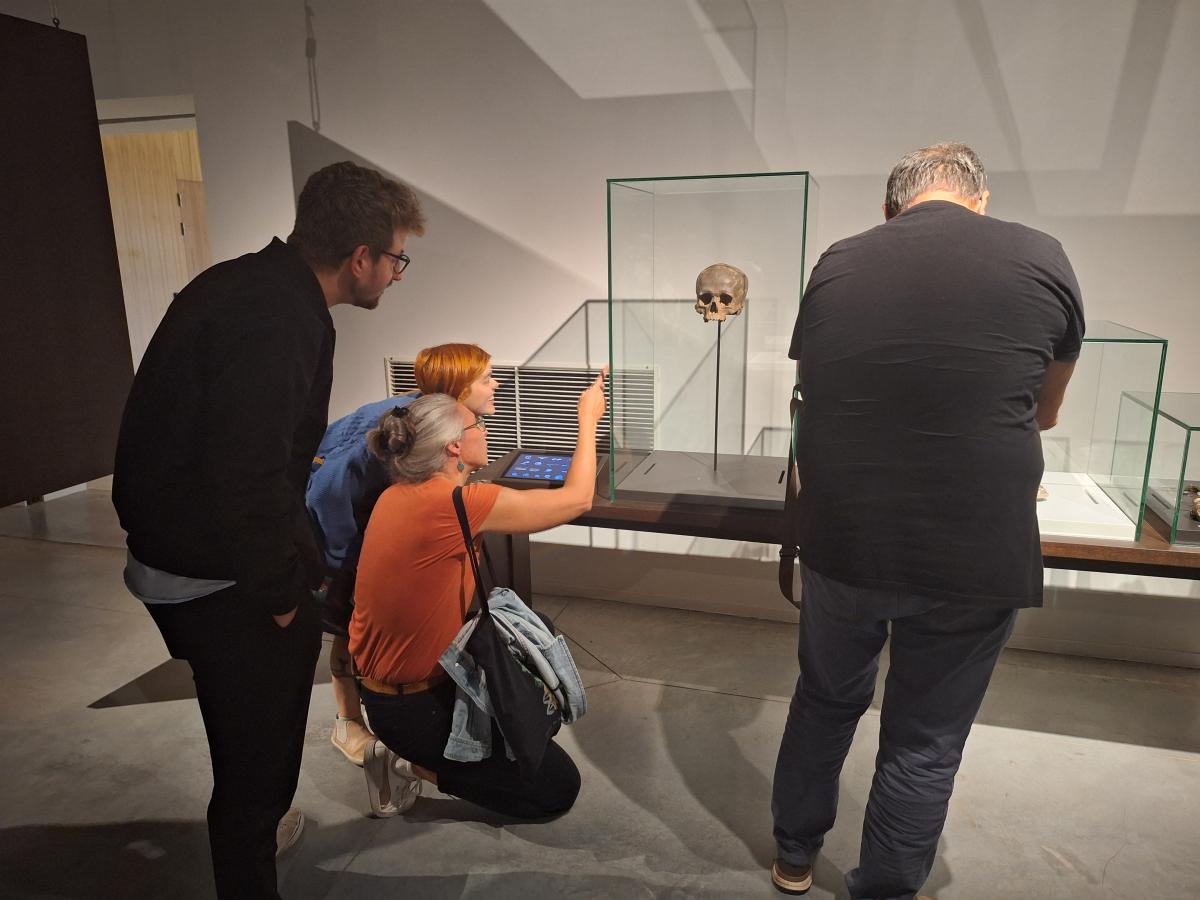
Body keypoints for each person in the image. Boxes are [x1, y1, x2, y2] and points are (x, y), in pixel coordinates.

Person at [771, 143, 1083, 899]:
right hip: (977, 547)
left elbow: (817, 390)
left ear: (890, 208)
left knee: (824, 698)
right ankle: (886, 887)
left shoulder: (839, 259)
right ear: (980, 200)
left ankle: (793, 855)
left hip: (846, 536)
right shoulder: (1042, 256)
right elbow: (1043, 411)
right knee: (926, 737)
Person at [112, 161, 425, 900]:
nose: (396, 275)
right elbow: (247, 474)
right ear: (361, 258)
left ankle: (254, 838)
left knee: (246, 753)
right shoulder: (280, 318)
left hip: (185, 555)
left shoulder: (243, 285)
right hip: (218, 576)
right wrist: (284, 596)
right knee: (255, 770)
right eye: (397, 259)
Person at [348, 369, 607, 819]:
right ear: (454, 447)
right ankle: (407, 764)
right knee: (555, 789)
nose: (485, 430)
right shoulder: (457, 505)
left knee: (532, 715)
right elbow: (578, 499)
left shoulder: (398, 494)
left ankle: (423, 752)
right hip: (411, 709)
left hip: (388, 692)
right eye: (477, 425)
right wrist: (587, 418)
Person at [306, 344, 499, 765]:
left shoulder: (446, 418)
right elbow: (326, 492)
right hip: (345, 534)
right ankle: (347, 720)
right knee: (352, 626)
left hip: (373, 525)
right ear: (458, 387)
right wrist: (346, 561)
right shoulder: (402, 422)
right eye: (486, 378)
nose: (496, 385)